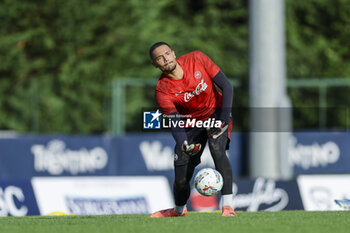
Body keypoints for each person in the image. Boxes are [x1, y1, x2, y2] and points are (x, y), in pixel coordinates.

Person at [149, 42, 236, 217]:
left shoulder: (197, 58)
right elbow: (174, 121)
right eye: (159, 58)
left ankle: (228, 206)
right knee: (182, 174)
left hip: (216, 113)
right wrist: (183, 143)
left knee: (217, 149)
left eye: (167, 53)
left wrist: (223, 120)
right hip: (190, 123)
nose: (165, 59)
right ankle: (179, 210)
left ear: (174, 53)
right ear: (155, 64)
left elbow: (227, 86)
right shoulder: (162, 90)